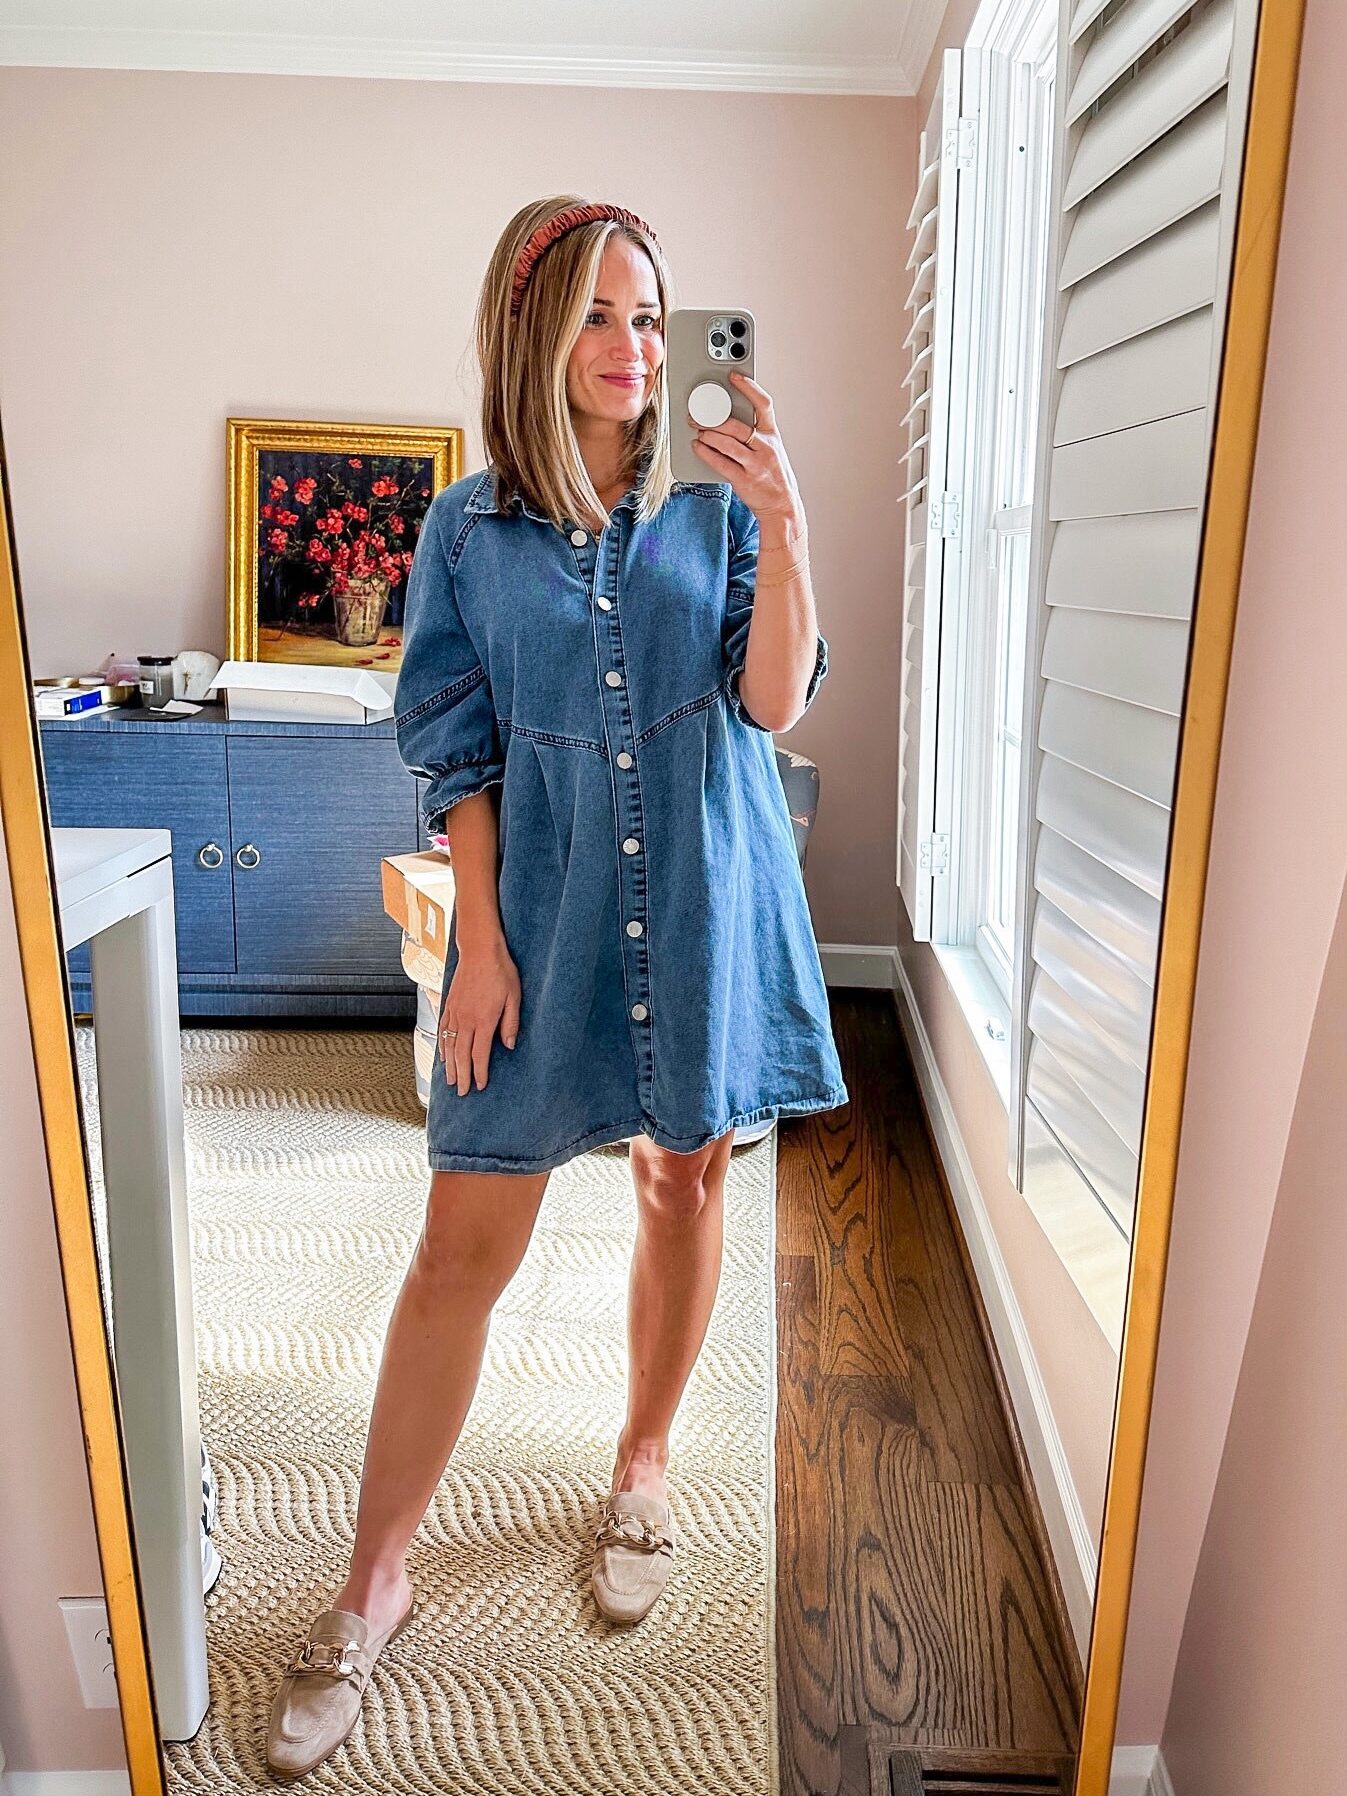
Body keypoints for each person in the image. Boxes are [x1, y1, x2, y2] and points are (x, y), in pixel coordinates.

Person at [265, 193, 848, 1778]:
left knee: (684, 1183)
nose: (634, 348)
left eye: (653, 317)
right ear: (533, 331)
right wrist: (483, 937)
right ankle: (373, 1576)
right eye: (599, 314)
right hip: (546, 904)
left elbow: (772, 699)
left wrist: (786, 526)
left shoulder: (715, 511)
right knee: (464, 1236)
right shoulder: (466, 528)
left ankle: (644, 1462)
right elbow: (451, 740)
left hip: (710, 892)